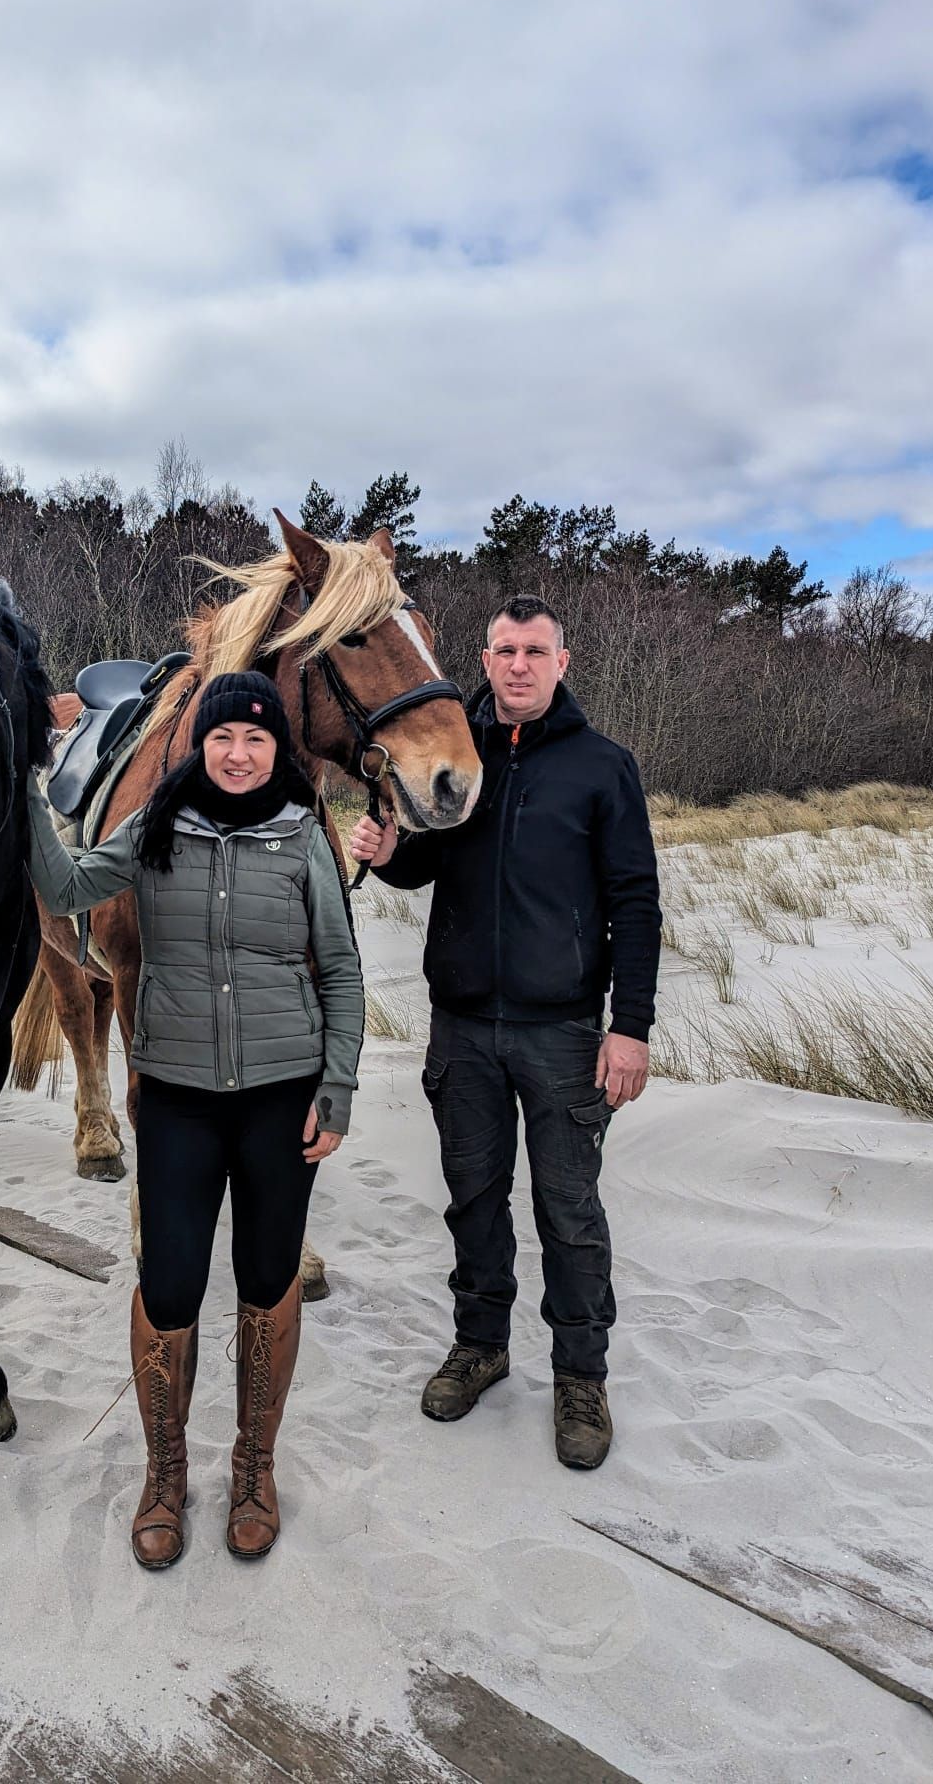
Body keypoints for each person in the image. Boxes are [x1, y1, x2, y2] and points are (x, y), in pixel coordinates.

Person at [26, 670, 364, 1566]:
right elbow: (66, 887)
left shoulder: (304, 838)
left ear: (276, 750)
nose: (239, 754)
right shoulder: (153, 828)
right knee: (169, 1285)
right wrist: (22, 789)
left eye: (257, 738)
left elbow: (341, 968)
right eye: (224, 737)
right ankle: (165, 1473)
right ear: (201, 745)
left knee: (266, 1280)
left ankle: (254, 1467)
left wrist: (336, 1088)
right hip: (176, 1095)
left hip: (281, 1095)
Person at [352, 595, 660, 1470]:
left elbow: (636, 903)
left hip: (563, 1034)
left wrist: (629, 1028)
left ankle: (580, 1377)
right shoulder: (460, 752)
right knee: (473, 1202)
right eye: (504, 651)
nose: (518, 665)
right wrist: (389, 855)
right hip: (462, 1030)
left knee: (570, 1214)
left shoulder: (603, 767)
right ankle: (480, 1345)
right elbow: (427, 863)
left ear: (562, 662)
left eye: (534, 651)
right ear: (483, 662)